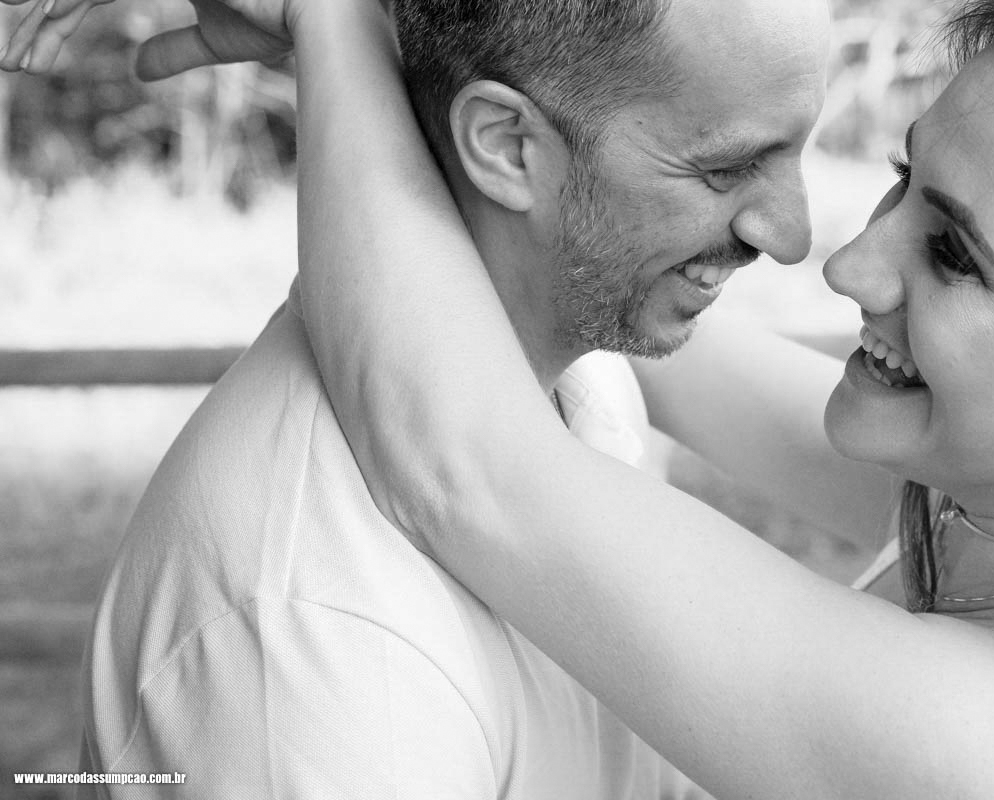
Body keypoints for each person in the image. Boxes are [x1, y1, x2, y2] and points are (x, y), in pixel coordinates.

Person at [133, 0, 994, 797]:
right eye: (898, 180)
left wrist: (333, 20)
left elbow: (462, 458)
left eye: (955, 254)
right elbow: (592, 280)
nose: (846, 264)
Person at [2, 0, 837, 797]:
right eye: (726, 167)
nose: (797, 238)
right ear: (507, 147)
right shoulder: (326, 639)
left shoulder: (588, 378)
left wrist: (339, 26)